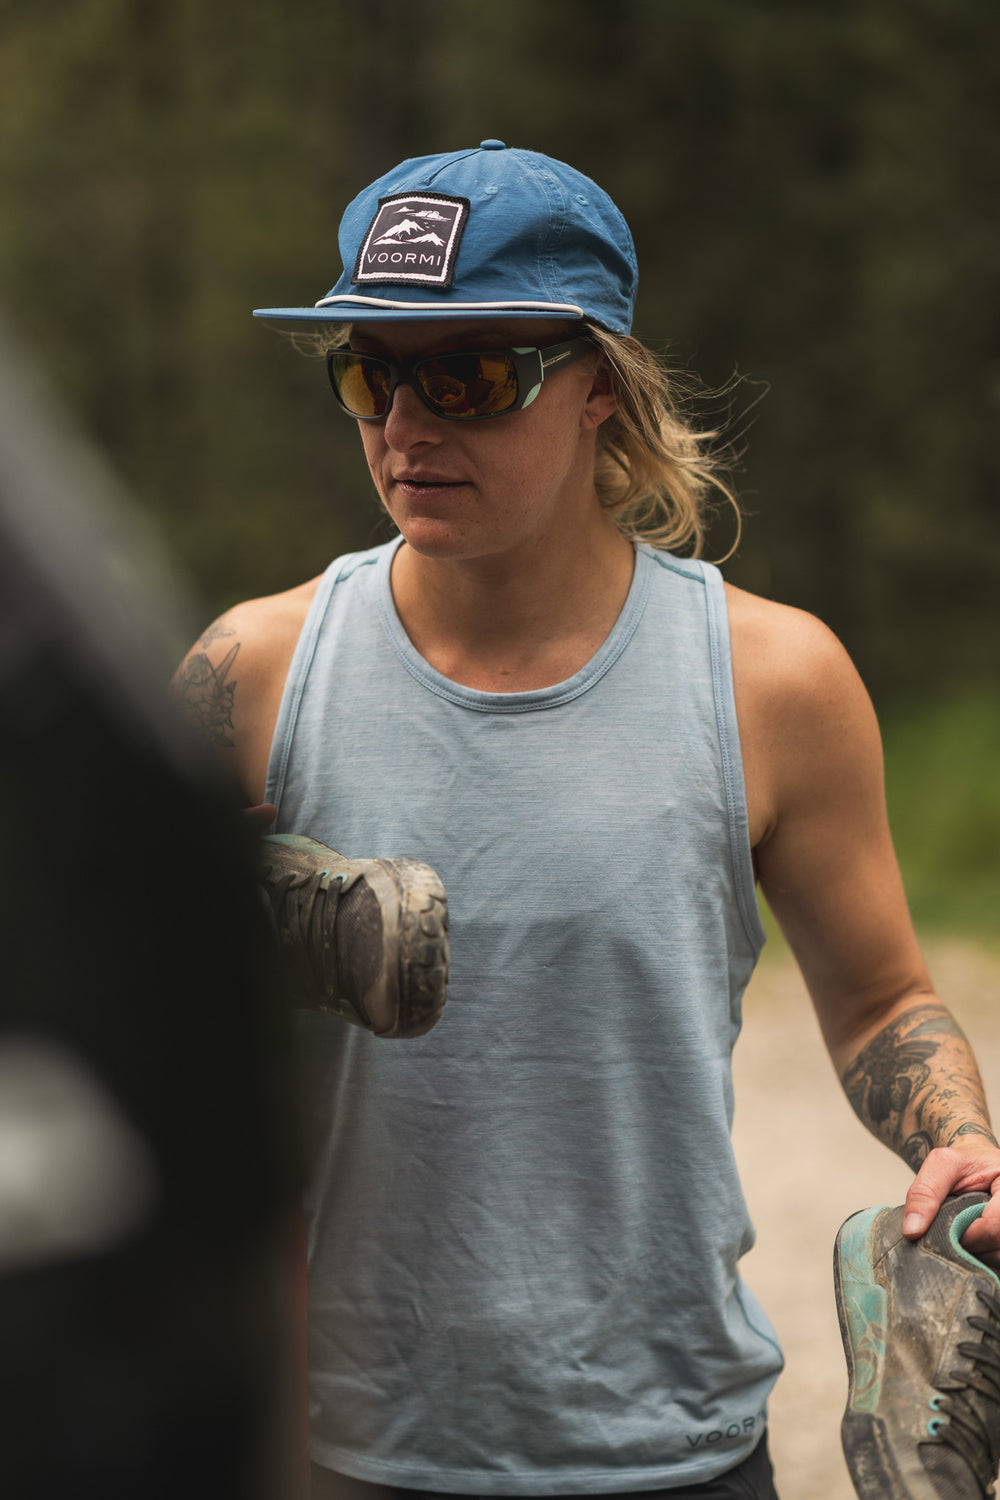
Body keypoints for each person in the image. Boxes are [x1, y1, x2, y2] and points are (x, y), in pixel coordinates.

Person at [173, 142, 1000, 1500]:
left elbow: (881, 1000)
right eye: (370, 374)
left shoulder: (772, 681)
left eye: (468, 376)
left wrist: (957, 1146)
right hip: (333, 1450)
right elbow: (131, 1037)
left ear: (600, 387)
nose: (406, 427)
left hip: (671, 1448)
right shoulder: (252, 674)